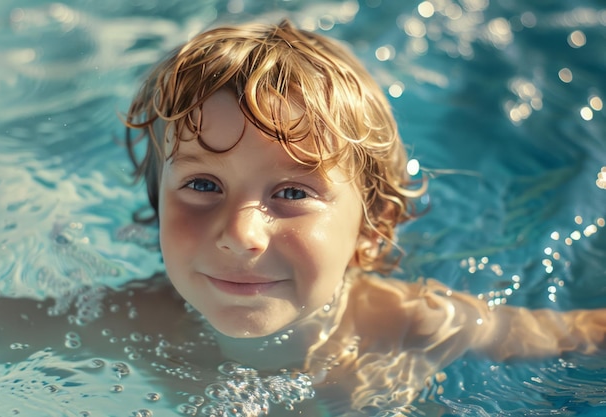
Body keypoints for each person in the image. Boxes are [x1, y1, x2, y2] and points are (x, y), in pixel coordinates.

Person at [120, 19, 606, 412]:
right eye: (202, 185)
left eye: (292, 191)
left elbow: (574, 336)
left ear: (372, 229)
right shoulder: (129, 319)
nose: (240, 234)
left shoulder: (410, 325)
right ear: (158, 204)